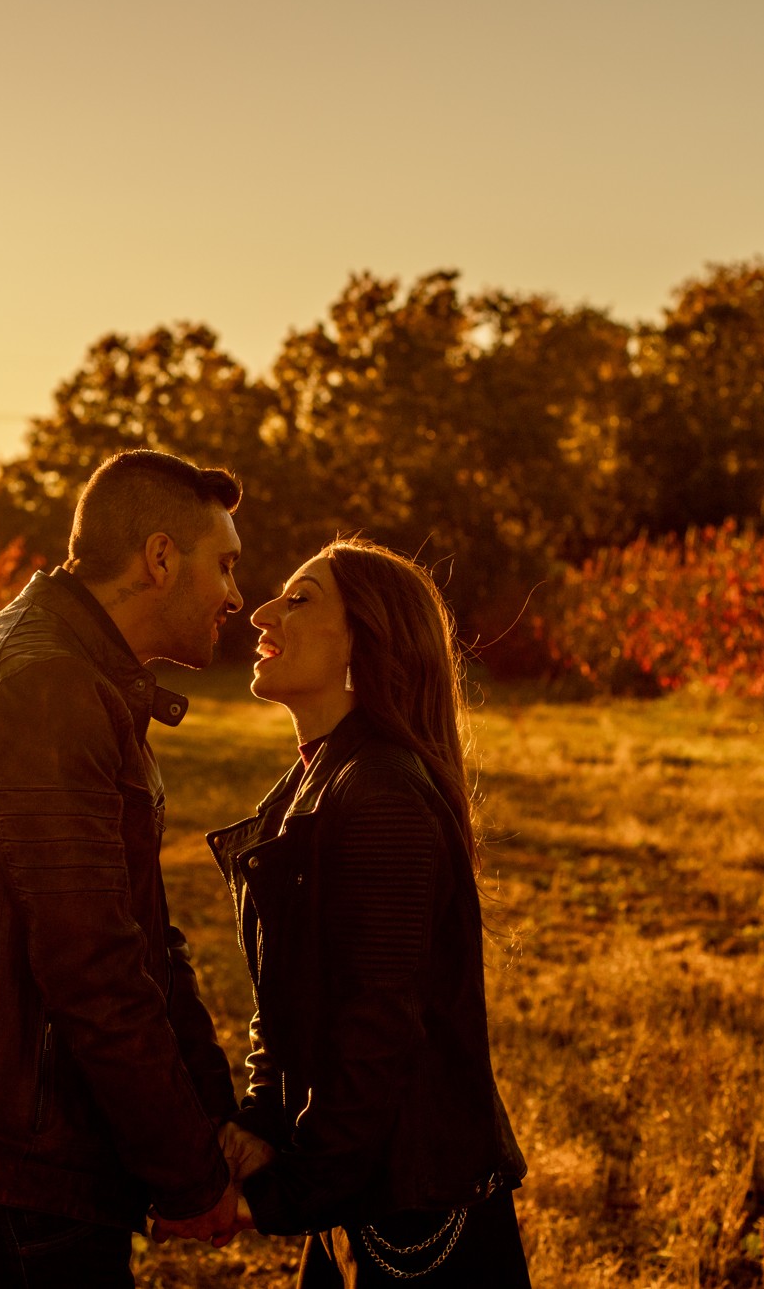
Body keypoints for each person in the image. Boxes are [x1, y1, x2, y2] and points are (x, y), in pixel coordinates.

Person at [0, 450, 253, 1287]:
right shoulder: (47, 684)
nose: (235, 596)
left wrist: (211, 1116)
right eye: (224, 565)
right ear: (157, 558)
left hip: (14, 1148)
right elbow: (91, 962)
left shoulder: (76, 668)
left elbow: (140, 929)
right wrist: (188, 1172)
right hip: (11, 1161)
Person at [199, 537, 531, 1285]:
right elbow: (288, 1001)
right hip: (366, 1200)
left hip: (418, 1216)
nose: (261, 612)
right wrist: (260, 1123)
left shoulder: (379, 796)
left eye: (301, 597)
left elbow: (378, 1033)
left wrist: (284, 1194)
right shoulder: (320, 782)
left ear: (365, 641)